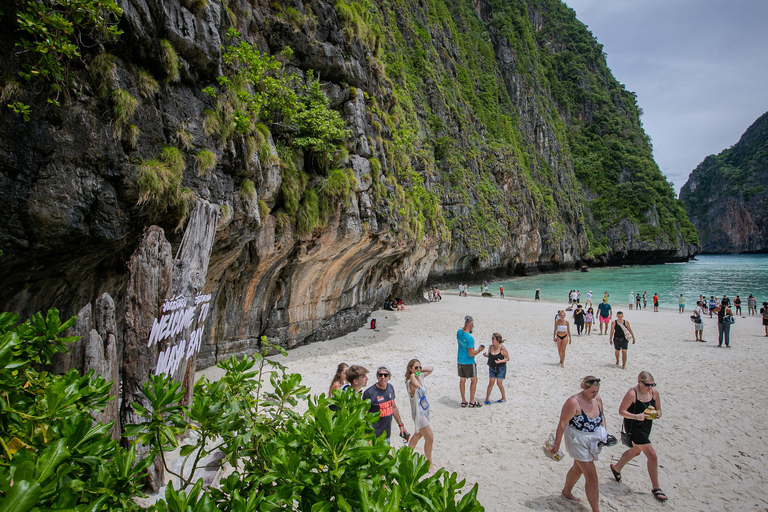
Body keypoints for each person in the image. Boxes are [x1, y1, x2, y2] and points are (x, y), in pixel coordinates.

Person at [549, 376, 607, 512]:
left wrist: (605, 433)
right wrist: (557, 443)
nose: (595, 394)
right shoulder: (573, 402)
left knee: (578, 468)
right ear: (584, 388)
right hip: (577, 440)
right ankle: (596, 510)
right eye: (592, 391)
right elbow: (562, 423)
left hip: (594, 438)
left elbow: (602, 416)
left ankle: (566, 491)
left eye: (597, 391)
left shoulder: (597, 400)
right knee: (592, 477)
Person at [610, 371, 667, 502]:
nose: (649, 387)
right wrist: (636, 416)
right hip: (634, 426)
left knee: (636, 451)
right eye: (647, 384)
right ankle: (656, 487)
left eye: (652, 384)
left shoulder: (654, 393)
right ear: (639, 382)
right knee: (652, 455)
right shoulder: (632, 393)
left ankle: (616, 468)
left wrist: (658, 413)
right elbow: (621, 411)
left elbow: (659, 410)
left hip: (646, 425)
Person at [362, 365, 407, 444]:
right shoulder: (369, 393)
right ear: (377, 376)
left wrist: (401, 425)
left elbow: (394, 408)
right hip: (373, 435)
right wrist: (366, 434)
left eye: (385, 375)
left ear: (389, 377)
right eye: (380, 375)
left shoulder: (390, 388)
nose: (383, 377)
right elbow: (363, 415)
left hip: (386, 434)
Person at [405, 359, 434, 467]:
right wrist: (412, 375)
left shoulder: (420, 376)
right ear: (410, 368)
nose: (418, 369)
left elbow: (431, 369)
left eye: (419, 367)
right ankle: (429, 462)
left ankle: (407, 455)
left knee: (418, 434)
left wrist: (419, 370)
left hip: (425, 411)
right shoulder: (410, 383)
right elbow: (416, 385)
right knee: (430, 438)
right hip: (419, 414)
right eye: (415, 367)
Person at [457, 315, 485, 407]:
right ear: (470, 324)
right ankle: (472, 401)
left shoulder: (459, 333)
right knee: (474, 380)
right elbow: (471, 353)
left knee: (462, 380)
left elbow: (462, 329)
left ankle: (463, 401)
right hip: (469, 362)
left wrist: (466, 326)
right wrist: (479, 350)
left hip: (460, 360)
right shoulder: (470, 338)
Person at [483, 333, 509, 403]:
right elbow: (490, 355)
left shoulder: (502, 348)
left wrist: (500, 361)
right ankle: (487, 399)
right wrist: (486, 355)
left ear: (497, 340)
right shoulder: (490, 347)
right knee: (491, 383)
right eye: (492, 338)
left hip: (501, 368)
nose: (492, 340)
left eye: (493, 338)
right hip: (492, 367)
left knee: (499, 383)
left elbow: (507, 358)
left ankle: (503, 398)